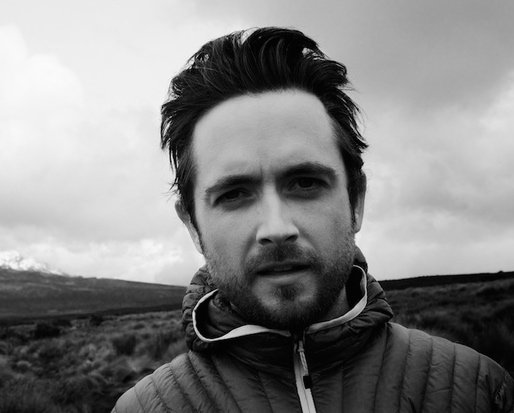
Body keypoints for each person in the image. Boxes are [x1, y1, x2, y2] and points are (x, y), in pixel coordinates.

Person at [112, 27, 513, 412]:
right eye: (234, 194)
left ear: (356, 200)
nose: (276, 228)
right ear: (192, 225)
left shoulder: (478, 390)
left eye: (305, 183)